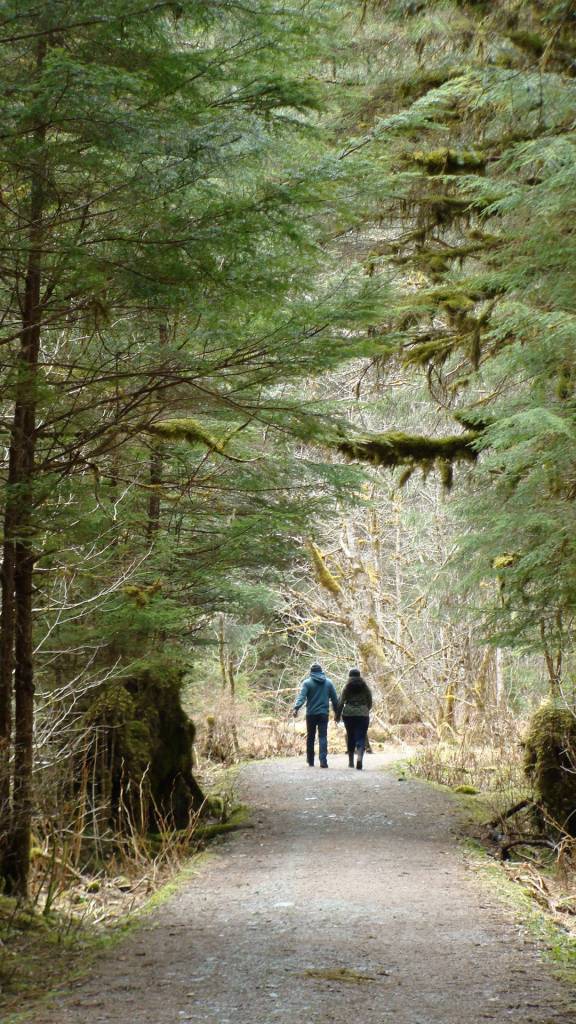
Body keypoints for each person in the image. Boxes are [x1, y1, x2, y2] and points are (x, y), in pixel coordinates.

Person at [293, 662, 338, 768]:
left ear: (311, 672)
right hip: (323, 714)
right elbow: (335, 700)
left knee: (310, 737)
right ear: (321, 671)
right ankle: (323, 761)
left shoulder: (307, 683)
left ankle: (310, 760)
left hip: (311, 714)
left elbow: (302, 697)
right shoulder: (329, 683)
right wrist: (337, 712)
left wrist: (296, 708)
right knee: (323, 736)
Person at [336, 668, 372, 770]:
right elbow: (370, 701)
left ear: (349, 676)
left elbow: (341, 702)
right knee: (361, 737)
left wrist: (337, 715)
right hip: (363, 715)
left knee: (350, 736)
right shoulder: (365, 687)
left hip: (349, 715)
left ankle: (351, 761)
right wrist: (365, 709)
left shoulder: (346, 687)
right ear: (359, 675)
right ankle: (360, 757)